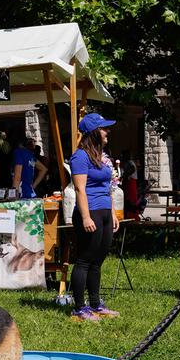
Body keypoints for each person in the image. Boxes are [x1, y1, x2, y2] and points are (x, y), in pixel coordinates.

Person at [68, 113, 121, 322]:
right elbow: (80, 189)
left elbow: (108, 187)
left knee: (97, 261)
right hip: (89, 213)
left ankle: (96, 304)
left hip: (105, 212)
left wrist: (113, 213)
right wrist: (86, 217)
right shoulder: (80, 156)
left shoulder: (100, 157)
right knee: (84, 260)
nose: (107, 131)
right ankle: (79, 308)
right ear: (93, 132)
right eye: (104, 128)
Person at [12, 133, 47, 198]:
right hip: (30, 193)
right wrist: (32, 186)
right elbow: (43, 169)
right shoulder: (29, 155)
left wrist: (13, 196)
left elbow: (17, 177)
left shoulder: (19, 153)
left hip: (22, 194)